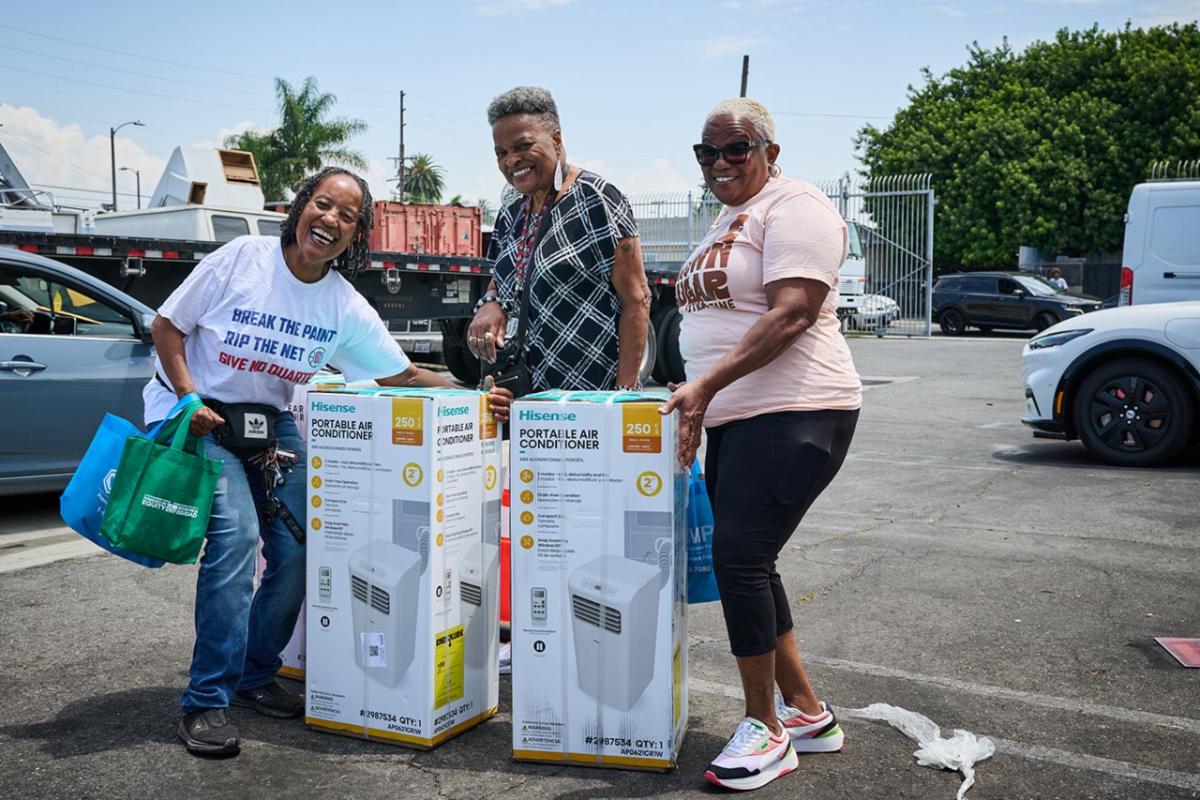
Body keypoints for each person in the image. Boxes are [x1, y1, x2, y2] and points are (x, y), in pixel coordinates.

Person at [145, 166, 511, 757]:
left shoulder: (342, 303)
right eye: (323, 205)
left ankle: (254, 675)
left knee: (299, 547)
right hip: (199, 408)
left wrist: (478, 396)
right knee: (237, 541)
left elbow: (404, 375)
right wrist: (187, 400)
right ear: (299, 207)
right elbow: (168, 325)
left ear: (356, 234)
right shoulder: (243, 259)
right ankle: (205, 701)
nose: (331, 221)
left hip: (268, 421)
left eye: (347, 216)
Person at [660, 98, 862, 791]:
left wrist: (707, 383)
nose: (720, 163)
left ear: (770, 151)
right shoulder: (727, 219)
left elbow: (795, 311)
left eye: (735, 149)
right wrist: (698, 397)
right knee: (753, 560)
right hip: (737, 419)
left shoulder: (797, 207)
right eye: (706, 153)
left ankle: (766, 730)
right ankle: (805, 711)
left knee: (740, 558)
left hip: (799, 410)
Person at [466, 86, 651, 393]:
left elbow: (637, 300)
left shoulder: (597, 199)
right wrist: (490, 305)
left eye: (523, 145)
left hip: (589, 401)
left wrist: (622, 398)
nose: (511, 160)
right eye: (501, 152)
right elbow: (501, 280)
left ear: (556, 140)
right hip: (529, 403)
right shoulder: (512, 211)